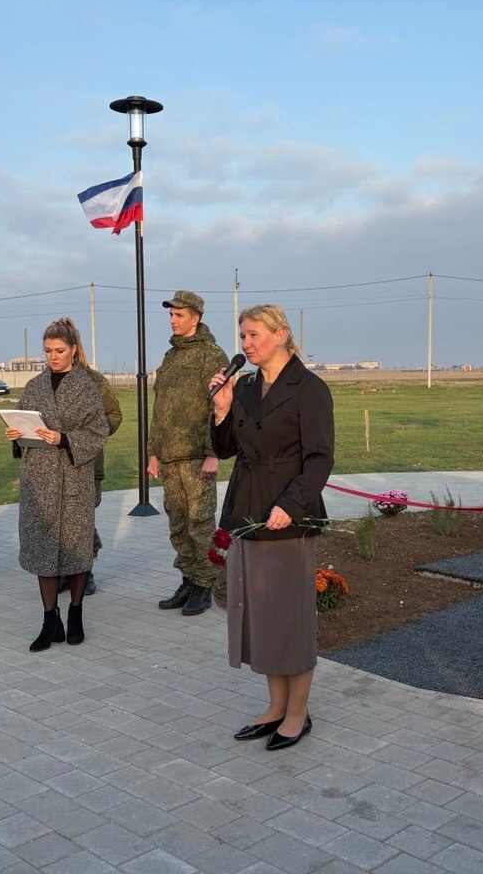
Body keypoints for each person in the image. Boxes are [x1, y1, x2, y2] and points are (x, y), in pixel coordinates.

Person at [210, 305, 334, 751]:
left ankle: (298, 712)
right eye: (242, 336)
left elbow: (320, 458)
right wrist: (222, 410)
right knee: (262, 615)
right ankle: (276, 706)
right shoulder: (244, 386)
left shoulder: (310, 389)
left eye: (254, 335)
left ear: (281, 335)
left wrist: (291, 504)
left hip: (289, 518)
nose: (245, 344)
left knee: (289, 618)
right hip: (247, 511)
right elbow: (226, 448)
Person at [5, 318, 108, 651]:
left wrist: (63, 438)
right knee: (42, 549)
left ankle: (76, 613)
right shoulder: (34, 386)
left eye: (59, 350)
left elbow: (99, 432)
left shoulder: (86, 386)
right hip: (39, 480)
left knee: (77, 549)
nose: (53, 356)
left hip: (74, 478)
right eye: (48, 350)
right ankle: (50, 620)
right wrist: (16, 435)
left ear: (73, 350)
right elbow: (22, 419)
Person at [149, 290, 229, 616]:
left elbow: (220, 408)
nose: (173, 319)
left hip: (197, 456)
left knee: (200, 524)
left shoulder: (211, 355)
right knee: (178, 524)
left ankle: (205, 585)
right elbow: (160, 409)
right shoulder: (170, 356)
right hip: (170, 457)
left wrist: (214, 452)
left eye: (179, 314)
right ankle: (188, 579)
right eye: (171, 314)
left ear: (195, 318)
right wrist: (153, 452)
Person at [71, 338, 122, 596]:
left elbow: (114, 415)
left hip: (87, 464)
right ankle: (66, 572)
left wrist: (91, 435)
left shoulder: (93, 380)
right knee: (60, 520)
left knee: (82, 519)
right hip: (52, 465)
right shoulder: (44, 382)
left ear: (74, 347)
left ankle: (85, 570)